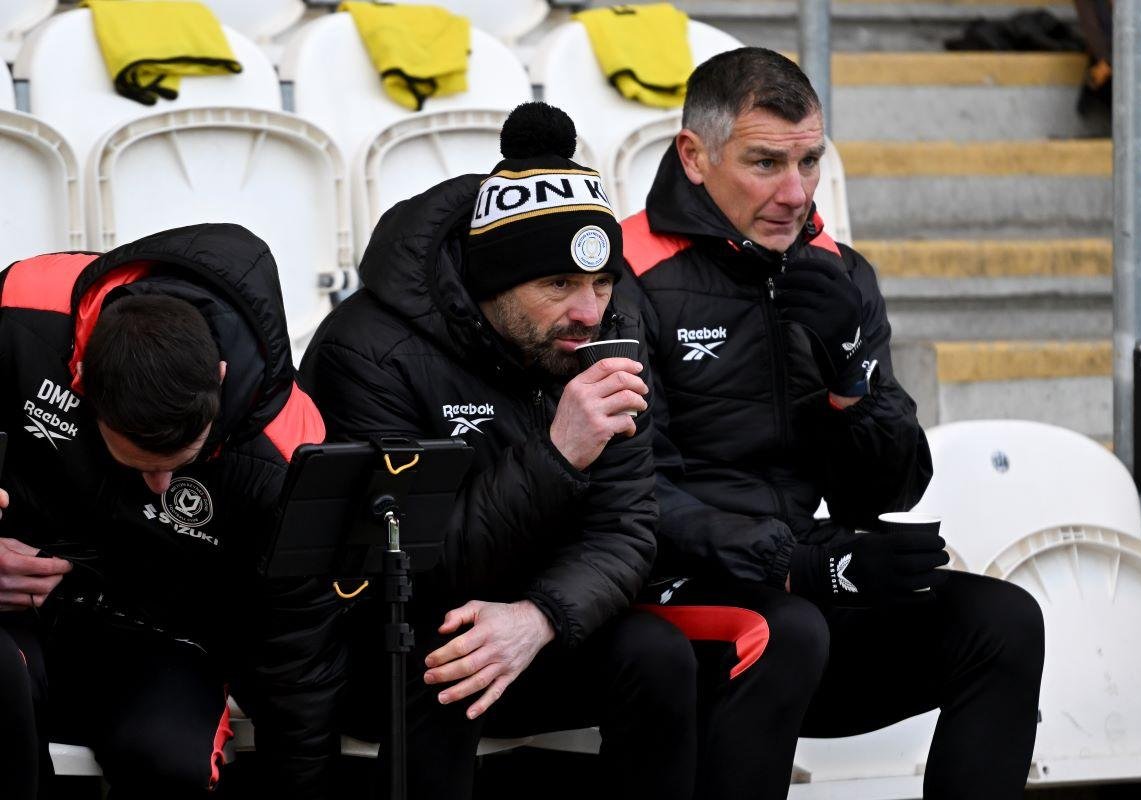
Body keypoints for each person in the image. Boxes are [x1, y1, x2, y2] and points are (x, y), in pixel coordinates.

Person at [622, 47, 1046, 799]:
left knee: (1004, 622)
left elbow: (891, 487)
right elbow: (631, 494)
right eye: (764, 164)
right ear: (694, 156)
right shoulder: (626, 272)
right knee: (790, 627)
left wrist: (853, 380)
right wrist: (797, 562)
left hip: (795, 579)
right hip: (660, 599)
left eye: (811, 162)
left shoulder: (839, 271)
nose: (795, 193)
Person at [300, 102, 697, 799]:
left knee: (658, 655)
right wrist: (556, 454)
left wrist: (539, 616)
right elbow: (399, 566)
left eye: (603, 284)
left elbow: (627, 527)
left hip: (536, 622)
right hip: (393, 636)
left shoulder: (607, 332)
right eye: (558, 285)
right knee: (447, 658)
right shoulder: (370, 351)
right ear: (489, 283)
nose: (589, 312)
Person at [0, 224, 344, 800]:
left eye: (182, 463)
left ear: (220, 379)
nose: (160, 487)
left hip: (162, 634)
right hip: (13, 617)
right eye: (136, 463)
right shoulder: (23, 309)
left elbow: (300, 649)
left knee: (169, 761)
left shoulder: (290, 446)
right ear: (83, 385)